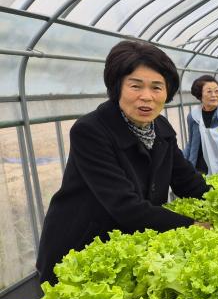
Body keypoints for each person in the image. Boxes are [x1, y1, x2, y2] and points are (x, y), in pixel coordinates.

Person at [36, 40, 209, 285]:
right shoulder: (91, 131)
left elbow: (188, 182)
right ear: (118, 87)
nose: (146, 97)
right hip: (80, 251)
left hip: (127, 246)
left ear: (167, 92)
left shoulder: (161, 128)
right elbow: (126, 206)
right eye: (135, 86)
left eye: (157, 87)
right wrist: (193, 225)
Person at [182, 75, 218, 175]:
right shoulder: (193, 116)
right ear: (200, 95)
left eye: (217, 91)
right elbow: (191, 142)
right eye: (209, 91)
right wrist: (182, 161)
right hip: (201, 168)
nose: (214, 95)